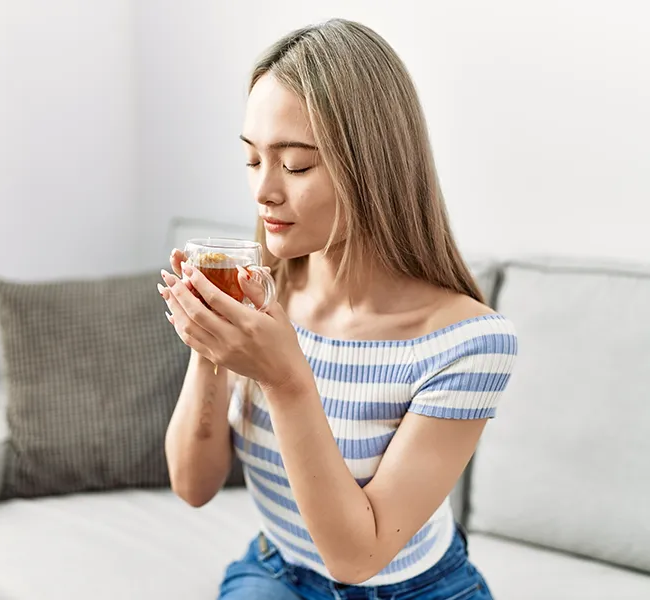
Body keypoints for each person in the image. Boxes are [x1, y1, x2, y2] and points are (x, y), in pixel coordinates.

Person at [158, 18, 518, 600]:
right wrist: (211, 345)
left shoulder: (470, 342)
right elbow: (193, 484)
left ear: (371, 167)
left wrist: (285, 377)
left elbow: (359, 557)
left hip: (416, 587)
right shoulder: (264, 293)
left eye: (296, 165)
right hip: (277, 570)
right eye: (253, 160)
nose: (264, 190)